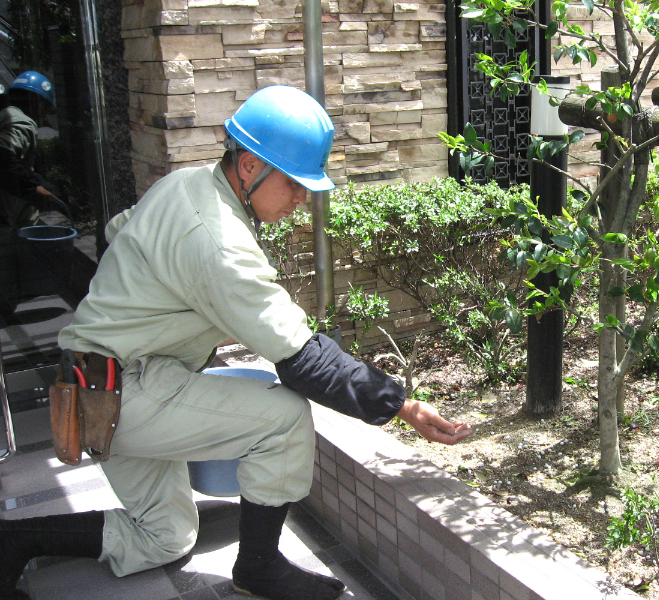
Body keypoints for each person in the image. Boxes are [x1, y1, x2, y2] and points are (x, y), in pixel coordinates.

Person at [0, 85, 471, 600]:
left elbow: (118, 233)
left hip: (90, 384)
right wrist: (400, 404)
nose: (301, 198)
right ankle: (261, 568)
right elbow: (302, 361)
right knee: (284, 417)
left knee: (165, 539)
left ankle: (14, 540)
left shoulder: (185, 183)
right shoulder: (217, 239)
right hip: (125, 392)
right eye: (294, 183)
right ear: (249, 166)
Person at [0, 71, 63, 315]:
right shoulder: (20, 122)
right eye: (44, 107)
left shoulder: (5, 116)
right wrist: (34, 185)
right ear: (35, 101)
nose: (44, 114)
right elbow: (3, 158)